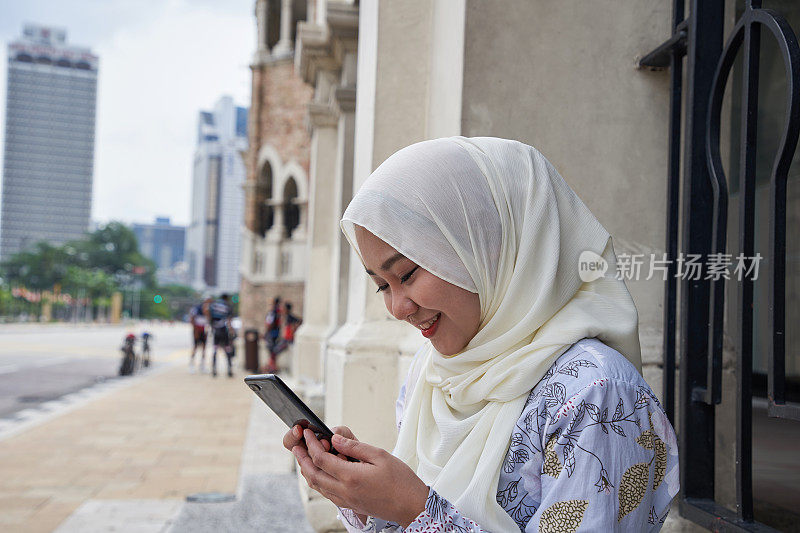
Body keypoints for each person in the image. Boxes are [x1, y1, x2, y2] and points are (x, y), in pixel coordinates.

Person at [282, 137, 679, 532]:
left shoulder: (597, 394)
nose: (398, 308)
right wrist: (364, 498)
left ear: (486, 248)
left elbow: (421, 510)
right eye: (382, 286)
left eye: (406, 275)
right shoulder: (434, 371)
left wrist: (416, 510)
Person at [208, 293, 234, 377]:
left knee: (215, 349)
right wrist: (231, 330)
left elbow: (209, 316)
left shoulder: (214, 305)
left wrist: (212, 327)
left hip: (216, 330)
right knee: (227, 349)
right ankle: (229, 370)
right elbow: (229, 320)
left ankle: (214, 370)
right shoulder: (227, 306)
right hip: (224, 330)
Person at [189, 298, 211, 373]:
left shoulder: (209, 310)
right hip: (197, 330)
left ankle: (202, 365)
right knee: (195, 348)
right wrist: (195, 331)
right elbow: (192, 319)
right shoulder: (196, 309)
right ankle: (192, 365)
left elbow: (208, 322)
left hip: (204, 331)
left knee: (204, 349)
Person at [264, 297, 282, 373]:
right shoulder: (278, 312)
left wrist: (266, 333)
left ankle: (271, 368)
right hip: (276, 333)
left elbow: (269, 323)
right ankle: (272, 367)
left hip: (272, 334)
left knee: (272, 352)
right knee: (273, 352)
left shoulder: (273, 312)